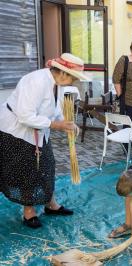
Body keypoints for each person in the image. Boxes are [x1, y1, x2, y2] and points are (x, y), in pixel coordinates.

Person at [0, 53, 89, 228]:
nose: (74, 82)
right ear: (63, 73)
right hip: (16, 131)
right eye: (74, 77)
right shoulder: (35, 81)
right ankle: (29, 212)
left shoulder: (59, 84)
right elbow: (25, 115)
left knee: (48, 165)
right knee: (27, 170)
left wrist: (68, 123)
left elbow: (54, 110)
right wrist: (57, 125)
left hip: (39, 130)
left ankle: (51, 204)